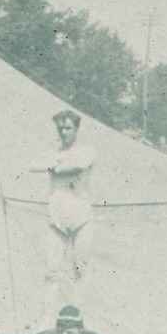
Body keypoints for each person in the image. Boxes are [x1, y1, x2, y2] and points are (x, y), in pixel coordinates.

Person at [31, 110, 95, 317]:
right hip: (57, 218)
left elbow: (79, 164)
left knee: (80, 269)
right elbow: (33, 165)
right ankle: (47, 320)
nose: (64, 132)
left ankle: (76, 318)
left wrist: (55, 166)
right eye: (60, 128)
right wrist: (56, 164)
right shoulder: (53, 151)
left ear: (76, 129)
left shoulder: (85, 151)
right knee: (50, 271)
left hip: (80, 218)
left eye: (68, 128)